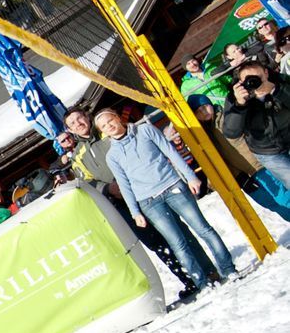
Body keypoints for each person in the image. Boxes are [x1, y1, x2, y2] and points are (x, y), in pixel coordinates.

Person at [93, 106, 236, 294]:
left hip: (172, 186)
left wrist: (190, 176)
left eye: (110, 120)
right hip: (149, 202)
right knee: (178, 243)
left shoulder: (145, 130)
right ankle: (203, 282)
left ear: (118, 118)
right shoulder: (112, 156)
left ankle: (228, 269)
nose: (109, 126)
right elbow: (124, 185)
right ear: (102, 132)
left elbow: (170, 152)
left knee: (203, 229)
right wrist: (135, 212)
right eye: (104, 126)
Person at [221, 63, 290, 192]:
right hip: (268, 151)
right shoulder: (235, 97)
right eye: (248, 79)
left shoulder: (282, 81)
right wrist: (240, 105)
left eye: (257, 77)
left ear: (266, 73)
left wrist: (277, 90)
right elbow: (231, 132)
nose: (254, 82)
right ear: (241, 82)